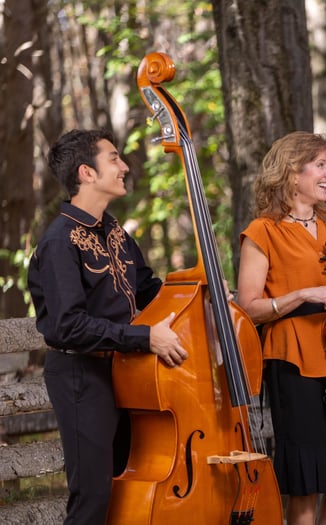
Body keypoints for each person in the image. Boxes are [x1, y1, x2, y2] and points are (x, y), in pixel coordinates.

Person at [27, 129, 189, 524]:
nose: (125, 166)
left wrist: (201, 292)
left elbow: (146, 288)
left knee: (128, 486)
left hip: (128, 372)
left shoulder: (114, 230)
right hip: (82, 375)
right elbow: (68, 326)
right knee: (93, 497)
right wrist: (144, 337)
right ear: (87, 172)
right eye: (114, 158)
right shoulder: (59, 242)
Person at [237, 131, 326, 525]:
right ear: (293, 174)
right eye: (321, 165)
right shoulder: (263, 231)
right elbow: (248, 308)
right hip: (293, 363)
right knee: (305, 483)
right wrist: (301, 295)